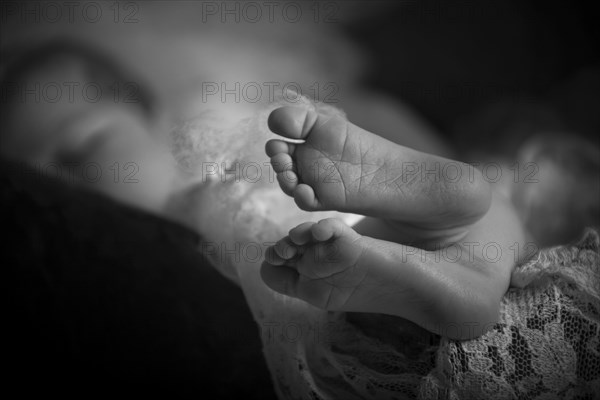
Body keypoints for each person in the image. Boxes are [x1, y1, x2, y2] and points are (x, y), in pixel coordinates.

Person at [261, 106, 527, 340]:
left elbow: (376, 111)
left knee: (491, 203)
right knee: (496, 214)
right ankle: (472, 277)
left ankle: (441, 262)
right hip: (491, 244)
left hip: (441, 224)